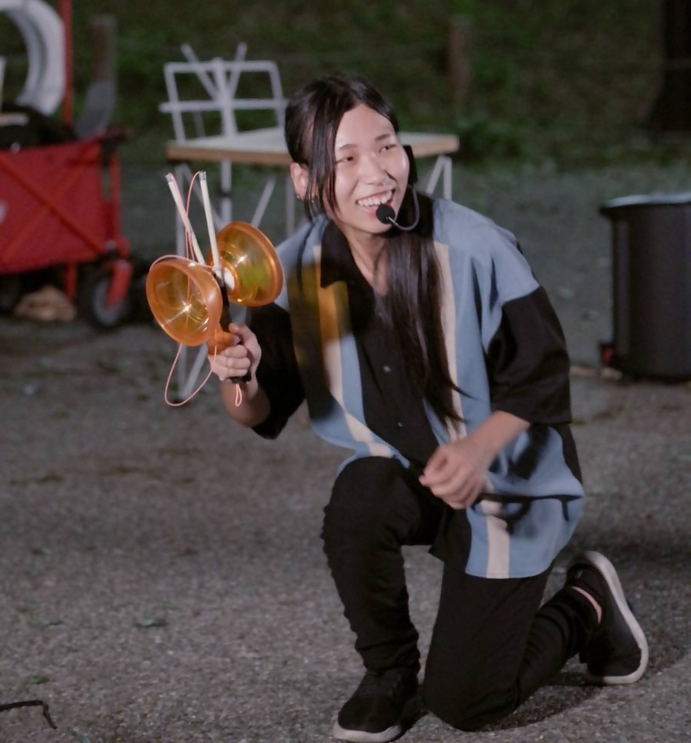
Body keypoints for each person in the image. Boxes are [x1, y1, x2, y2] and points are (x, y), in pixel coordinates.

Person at [207, 75, 648, 742]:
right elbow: (260, 413)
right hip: (413, 472)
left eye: (386, 146)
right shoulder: (294, 272)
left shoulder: (474, 247)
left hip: (508, 480)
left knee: (467, 702)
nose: (376, 172)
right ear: (303, 178)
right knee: (357, 503)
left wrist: (478, 448)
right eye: (345, 157)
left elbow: (543, 374)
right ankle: (388, 673)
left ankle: (585, 605)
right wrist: (233, 369)